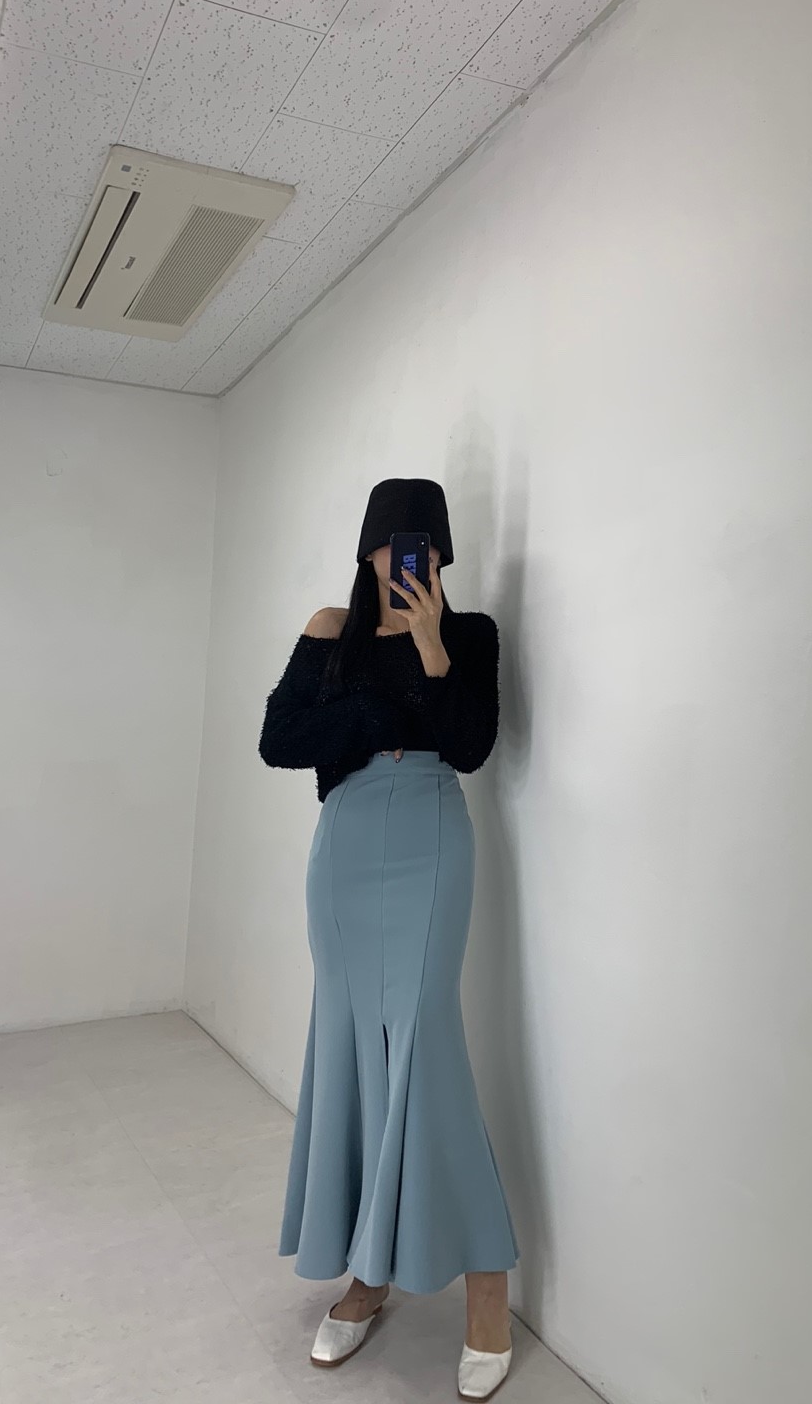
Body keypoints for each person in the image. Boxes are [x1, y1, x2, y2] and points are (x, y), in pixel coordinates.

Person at [258, 477, 519, 1402]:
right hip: (346, 845)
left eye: (425, 546)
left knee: (425, 1050)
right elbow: (280, 739)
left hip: (431, 838)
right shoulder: (330, 630)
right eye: (392, 544)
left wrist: (432, 648)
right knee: (347, 1051)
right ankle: (368, 1272)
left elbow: (471, 746)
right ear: (367, 549)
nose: (407, 560)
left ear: (441, 554)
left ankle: (487, 1285)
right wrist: (376, 715)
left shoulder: (470, 633)